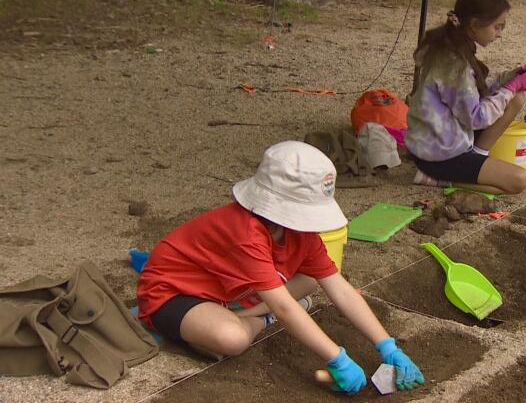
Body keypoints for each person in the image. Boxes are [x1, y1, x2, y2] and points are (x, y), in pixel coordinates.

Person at [136, 140, 424, 394]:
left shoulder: (302, 234)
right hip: (174, 291)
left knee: (310, 280)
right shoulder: (246, 233)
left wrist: (388, 346)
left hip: (227, 288)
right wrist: (337, 358)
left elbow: (342, 290)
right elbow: (286, 308)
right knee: (232, 338)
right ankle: (257, 320)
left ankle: (240, 313)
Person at [405, 0, 526, 195]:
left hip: (447, 138)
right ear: (474, 24)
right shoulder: (455, 64)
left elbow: (471, 98)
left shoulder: (453, 45)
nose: (499, 34)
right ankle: (436, 179)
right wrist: (510, 87)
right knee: (519, 181)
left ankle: (477, 156)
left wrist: (510, 78)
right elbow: (476, 117)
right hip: (438, 155)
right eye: (497, 27)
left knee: (516, 98)